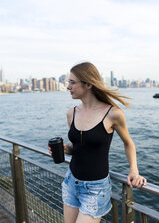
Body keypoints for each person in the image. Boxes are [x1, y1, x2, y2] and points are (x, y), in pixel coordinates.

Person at [49, 62, 147, 223]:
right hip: (70, 182)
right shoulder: (71, 113)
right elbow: (78, 147)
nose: (68, 87)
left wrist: (134, 170)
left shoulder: (113, 114)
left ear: (88, 84)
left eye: (72, 82)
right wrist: (66, 149)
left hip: (95, 190)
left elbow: (128, 142)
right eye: (68, 82)